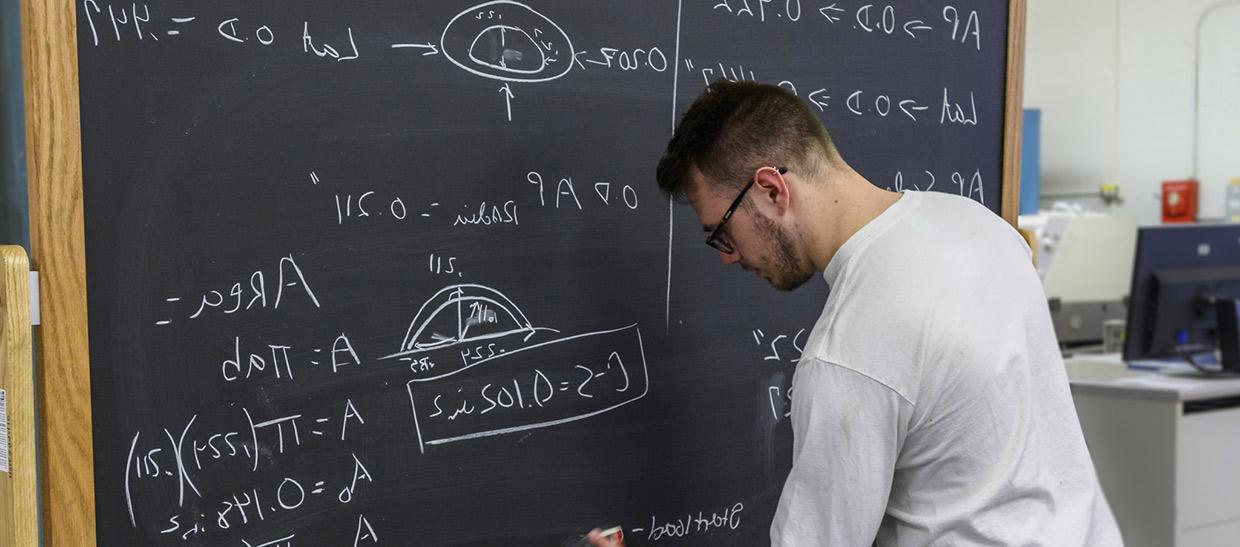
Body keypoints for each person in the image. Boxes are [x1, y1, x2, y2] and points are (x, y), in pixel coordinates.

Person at [590, 81, 1122, 546]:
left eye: (721, 232)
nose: (728, 255)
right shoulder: (980, 227)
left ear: (772, 190)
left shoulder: (850, 353)